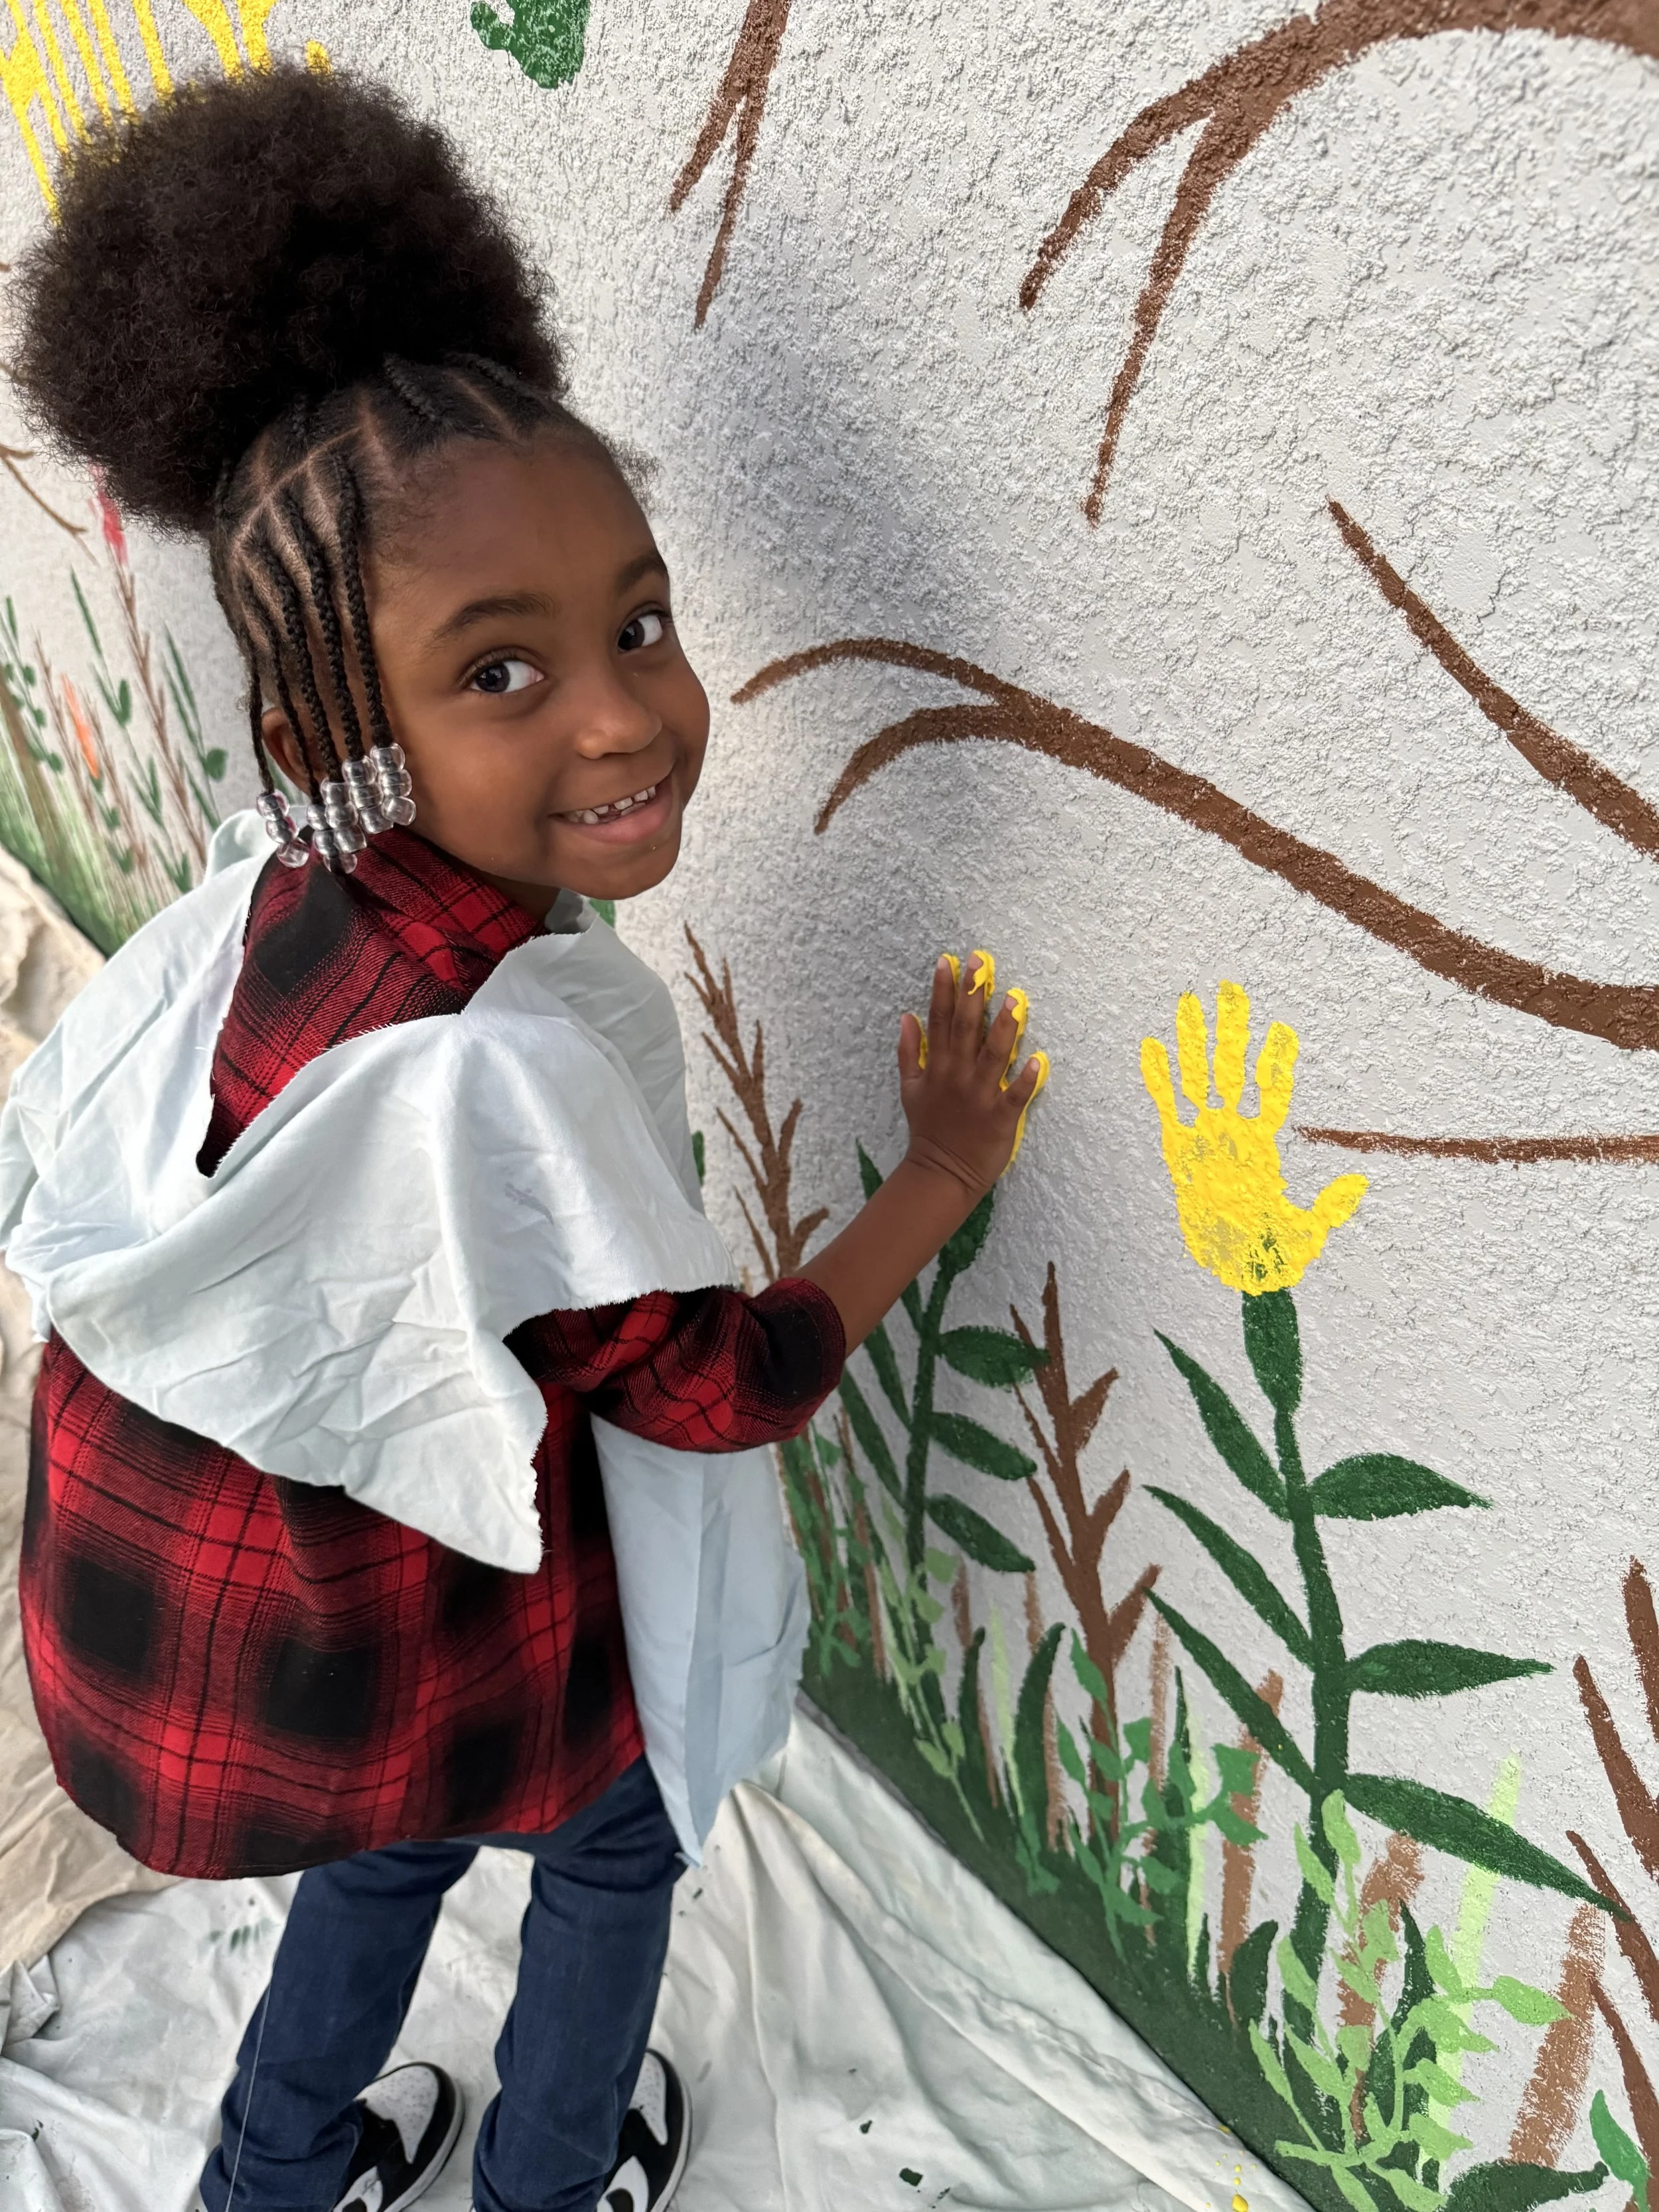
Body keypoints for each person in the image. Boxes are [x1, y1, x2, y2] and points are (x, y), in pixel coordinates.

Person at [3, 62, 1048, 2212]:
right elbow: (718, 1387)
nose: (623, 710)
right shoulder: (498, 1067)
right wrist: (936, 1174)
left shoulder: (263, 896)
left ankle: (271, 2171)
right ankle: (551, 2173)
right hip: (363, 1628)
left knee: (388, 1844)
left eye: (638, 619)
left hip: (242, 1633)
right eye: (503, 669)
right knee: (620, 1827)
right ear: (331, 728)